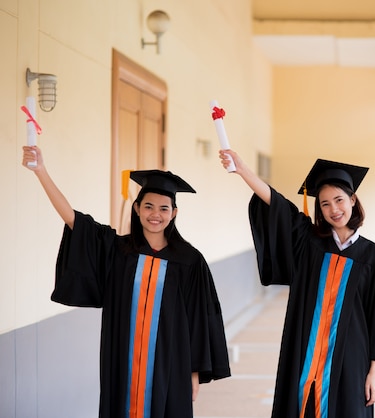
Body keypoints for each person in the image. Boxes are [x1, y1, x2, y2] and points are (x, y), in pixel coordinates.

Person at [22, 145, 230, 418]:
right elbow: (75, 220)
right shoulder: (119, 251)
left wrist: (193, 373)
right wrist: (41, 172)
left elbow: (199, 319)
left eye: (164, 208)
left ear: (174, 213)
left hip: (171, 364)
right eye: (148, 206)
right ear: (137, 208)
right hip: (123, 361)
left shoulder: (190, 261)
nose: (155, 214)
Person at [219, 149, 375, 418]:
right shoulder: (310, 244)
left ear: (352, 199)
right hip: (305, 351)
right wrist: (243, 170)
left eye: (339, 200)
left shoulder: (374, 257)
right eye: (325, 203)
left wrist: (374, 372)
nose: (333, 209)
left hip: (352, 359)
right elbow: (277, 205)